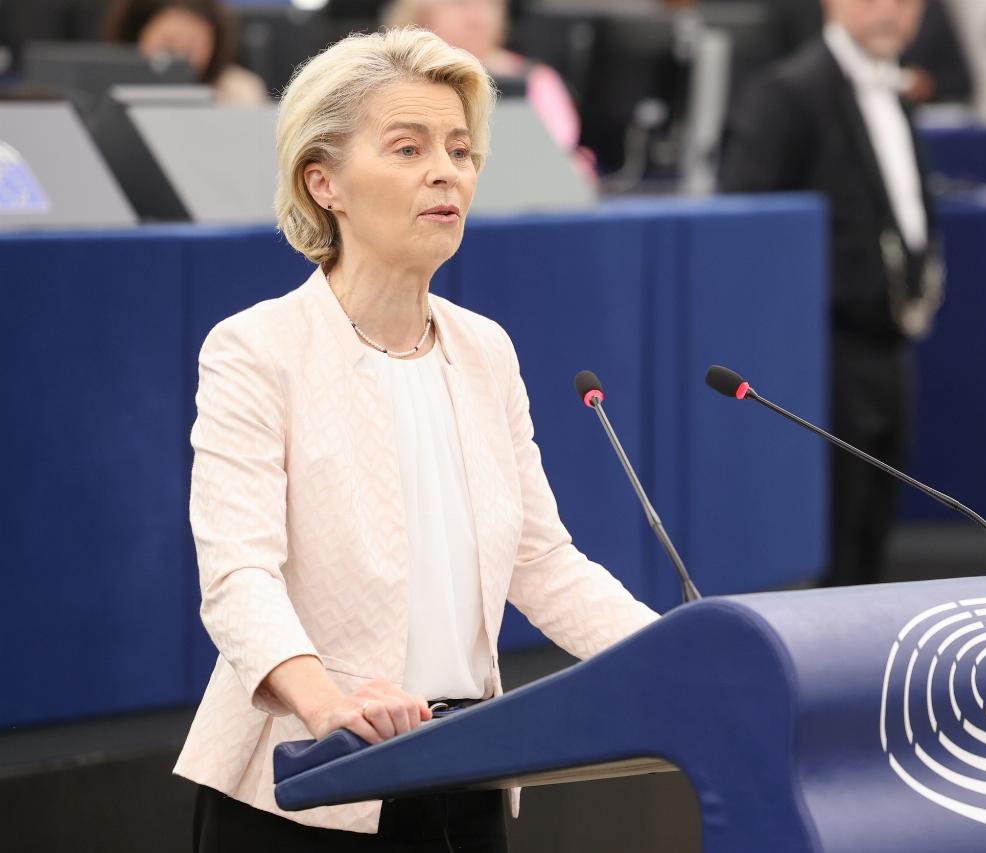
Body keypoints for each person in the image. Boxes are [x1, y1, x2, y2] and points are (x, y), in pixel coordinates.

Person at [172, 26, 660, 850]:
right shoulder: (257, 349)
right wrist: (327, 703)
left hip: (464, 773)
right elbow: (237, 575)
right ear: (324, 181)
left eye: (460, 150)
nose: (447, 172)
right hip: (309, 780)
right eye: (408, 148)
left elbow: (543, 562)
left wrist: (678, 656)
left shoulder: (485, 348)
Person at [720, 0, 942, 589]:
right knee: (834, 559)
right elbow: (747, 233)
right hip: (821, 365)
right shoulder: (786, 95)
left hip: (890, 352)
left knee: (872, 548)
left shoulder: (895, 91)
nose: (889, 10)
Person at [383, 0, 582, 157]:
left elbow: (557, 152)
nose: (478, 19)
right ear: (420, 13)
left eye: (489, 4)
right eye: (459, 4)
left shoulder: (536, 80)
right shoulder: (392, 78)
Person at [102, 0, 268, 105]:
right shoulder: (107, 89)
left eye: (192, 47)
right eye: (168, 43)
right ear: (136, 35)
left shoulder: (239, 92)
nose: (179, 57)